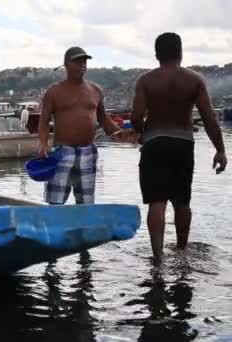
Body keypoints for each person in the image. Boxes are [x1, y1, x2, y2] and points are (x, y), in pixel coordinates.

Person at [131, 32, 227, 261]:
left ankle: (158, 258)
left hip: (154, 142)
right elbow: (209, 118)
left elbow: (136, 116)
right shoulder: (194, 80)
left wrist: (142, 133)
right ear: (181, 53)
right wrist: (220, 149)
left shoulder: (146, 81)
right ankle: (182, 251)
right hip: (183, 144)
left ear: (156, 55)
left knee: (157, 201)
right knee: (182, 200)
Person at [38, 47, 122, 205]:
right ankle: (55, 229)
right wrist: (43, 143)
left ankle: (83, 229)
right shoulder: (54, 91)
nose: (82, 64)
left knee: (86, 203)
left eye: (84, 61)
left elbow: (103, 119)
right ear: (66, 64)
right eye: (77, 61)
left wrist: (119, 133)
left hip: (88, 151)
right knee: (56, 202)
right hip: (62, 151)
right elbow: (43, 121)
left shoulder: (95, 90)